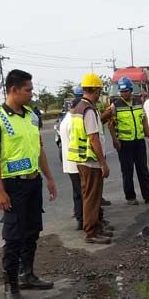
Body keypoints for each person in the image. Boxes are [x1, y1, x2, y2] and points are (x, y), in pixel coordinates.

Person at [0, 69, 58, 299]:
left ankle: (28, 275)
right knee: (13, 237)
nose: (32, 93)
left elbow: (39, 148)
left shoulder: (32, 116)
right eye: (28, 89)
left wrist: (49, 177)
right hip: (12, 185)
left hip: (33, 181)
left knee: (32, 230)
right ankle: (11, 285)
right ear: (13, 90)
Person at [68, 73, 112, 244]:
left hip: (81, 159)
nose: (100, 94)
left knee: (89, 195)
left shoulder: (79, 108)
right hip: (90, 160)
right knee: (92, 197)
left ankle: (95, 228)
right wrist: (103, 163)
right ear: (94, 89)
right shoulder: (88, 110)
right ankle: (91, 232)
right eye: (99, 90)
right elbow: (93, 138)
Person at [107, 77, 149, 205]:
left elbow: (144, 120)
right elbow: (110, 125)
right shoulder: (115, 105)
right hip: (124, 143)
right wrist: (115, 141)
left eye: (126, 91)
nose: (123, 93)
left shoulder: (138, 102)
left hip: (138, 141)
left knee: (143, 170)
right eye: (121, 91)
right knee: (127, 171)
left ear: (131, 90)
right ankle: (130, 197)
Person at [60, 85, 85, 231]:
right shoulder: (73, 121)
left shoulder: (65, 120)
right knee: (83, 193)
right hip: (78, 162)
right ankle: (83, 220)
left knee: (77, 193)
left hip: (70, 163)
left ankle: (79, 218)